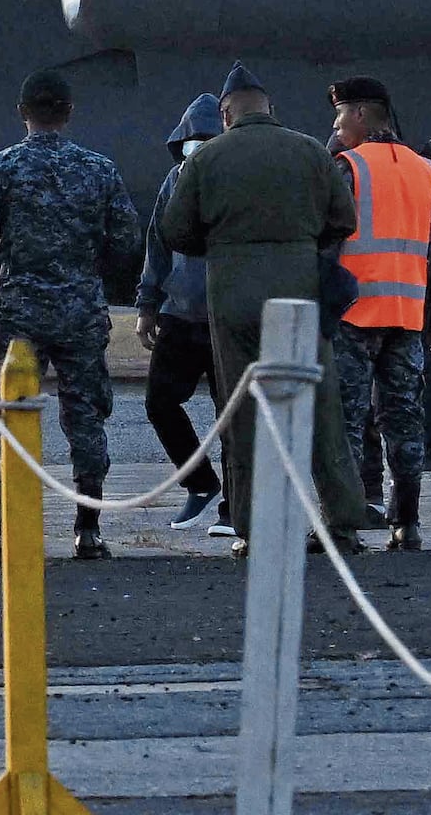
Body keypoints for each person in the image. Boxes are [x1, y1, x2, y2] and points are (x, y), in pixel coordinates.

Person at [150, 67, 368, 544]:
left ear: (226, 113)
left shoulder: (206, 159)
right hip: (300, 291)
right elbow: (344, 220)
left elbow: (176, 230)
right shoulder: (311, 151)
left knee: (243, 413)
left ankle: (253, 527)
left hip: (233, 296)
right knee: (319, 406)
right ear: (270, 108)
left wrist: (223, 243)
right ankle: (343, 521)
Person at [0, 71, 148, 559]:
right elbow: (128, 238)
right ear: (68, 112)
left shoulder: (3, 167)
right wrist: (87, 266)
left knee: (13, 415)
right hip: (81, 310)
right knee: (86, 420)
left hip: (21, 313)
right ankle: (89, 529)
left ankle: (9, 529)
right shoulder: (98, 169)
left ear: (23, 113)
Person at [323, 78, 431, 547]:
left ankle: (342, 527)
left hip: (354, 316)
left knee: (346, 423)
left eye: (341, 114)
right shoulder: (429, 173)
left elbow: (327, 243)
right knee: (403, 419)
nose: (336, 125)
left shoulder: (349, 167)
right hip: (407, 316)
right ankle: (408, 523)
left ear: (361, 114)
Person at [136, 93, 231, 523]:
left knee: (231, 414)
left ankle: (236, 506)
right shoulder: (174, 180)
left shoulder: (242, 180)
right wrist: (147, 304)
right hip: (180, 313)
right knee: (159, 403)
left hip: (228, 315)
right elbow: (157, 244)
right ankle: (200, 482)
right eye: (192, 147)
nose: (198, 154)